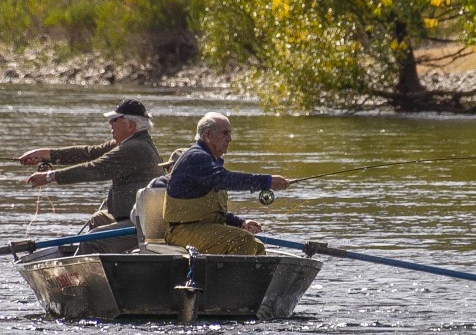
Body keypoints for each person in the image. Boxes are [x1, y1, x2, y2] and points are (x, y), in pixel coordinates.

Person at [19, 98, 163, 253]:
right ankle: (110, 267)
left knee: (91, 240)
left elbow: (95, 168)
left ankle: (86, 275)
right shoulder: (127, 143)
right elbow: (89, 153)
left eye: (114, 120)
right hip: (131, 218)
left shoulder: (135, 148)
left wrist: (50, 177)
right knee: (98, 219)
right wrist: (44, 154)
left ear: (131, 125)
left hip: (143, 225)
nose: (110, 124)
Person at [162, 111, 290, 255]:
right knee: (243, 239)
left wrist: (240, 223)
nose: (230, 139)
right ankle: (231, 277)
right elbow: (225, 179)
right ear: (208, 135)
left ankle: (251, 277)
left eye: (230, 133)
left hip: (203, 228)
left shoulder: (211, 161)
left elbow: (212, 211)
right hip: (181, 231)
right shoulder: (196, 157)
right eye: (225, 133)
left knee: (258, 246)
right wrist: (266, 181)